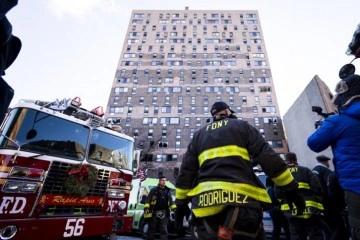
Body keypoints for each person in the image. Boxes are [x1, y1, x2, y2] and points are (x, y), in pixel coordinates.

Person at [175, 101, 305, 240]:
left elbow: (186, 172)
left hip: (204, 209)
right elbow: (268, 158)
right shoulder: (242, 127)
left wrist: (181, 204)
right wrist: (291, 189)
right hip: (242, 207)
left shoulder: (198, 136)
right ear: (227, 112)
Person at [307, 73, 360, 240]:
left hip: (355, 185)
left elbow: (314, 143)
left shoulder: (338, 121)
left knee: (357, 228)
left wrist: (325, 125)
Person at [279, 152, 324, 240]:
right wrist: (318, 199)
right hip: (310, 208)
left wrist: (282, 202)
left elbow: (278, 193)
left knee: (296, 235)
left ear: (286, 160)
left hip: (291, 211)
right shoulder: (305, 170)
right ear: (296, 159)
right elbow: (317, 188)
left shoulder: (282, 174)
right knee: (315, 234)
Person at [143, 176, 176, 240]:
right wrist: (146, 208)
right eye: (163, 180)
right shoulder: (154, 190)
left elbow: (171, 202)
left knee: (164, 230)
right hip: (154, 213)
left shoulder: (167, 191)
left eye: (165, 180)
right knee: (151, 230)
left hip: (164, 213)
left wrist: (174, 210)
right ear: (159, 181)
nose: (164, 182)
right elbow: (148, 200)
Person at [312, 155, 334, 239]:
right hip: (329, 203)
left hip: (318, 204)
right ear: (325, 161)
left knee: (325, 229)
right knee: (334, 227)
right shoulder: (325, 170)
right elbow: (331, 186)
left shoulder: (313, 171)